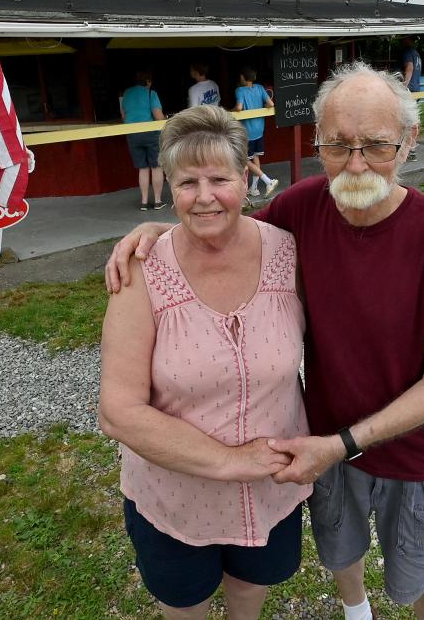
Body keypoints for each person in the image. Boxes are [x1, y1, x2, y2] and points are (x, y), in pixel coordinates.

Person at [107, 62, 424, 620]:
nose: (355, 164)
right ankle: (357, 612)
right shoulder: (303, 208)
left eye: (375, 146)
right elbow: (221, 217)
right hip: (322, 449)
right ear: (319, 142)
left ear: (408, 142)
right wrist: (157, 232)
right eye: (337, 145)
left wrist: (343, 443)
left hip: (408, 450)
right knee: (341, 554)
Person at [99, 105, 312, 620]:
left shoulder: (289, 253)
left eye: (219, 178)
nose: (204, 196)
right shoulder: (142, 269)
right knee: (186, 606)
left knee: (248, 595)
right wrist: (234, 462)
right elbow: (118, 410)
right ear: (170, 186)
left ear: (246, 176)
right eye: (187, 182)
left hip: (271, 490)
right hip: (176, 498)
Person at [120, 70, 167, 210]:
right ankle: (158, 201)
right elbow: (158, 116)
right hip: (151, 134)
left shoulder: (126, 93)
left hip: (132, 134)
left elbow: (123, 115)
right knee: (156, 166)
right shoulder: (150, 93)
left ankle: (144, 202)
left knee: (143, 168)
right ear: (148, 81)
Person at [232, 67, 279, 198]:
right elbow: (270, 104)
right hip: (259, 130)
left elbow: (239, 107)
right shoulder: (259, 88)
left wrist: (232, 110)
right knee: (255, 157)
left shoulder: (240, 90)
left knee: (244, 159)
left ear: (242, 77)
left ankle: (268, 181)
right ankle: (254, 188)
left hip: (247, 132)